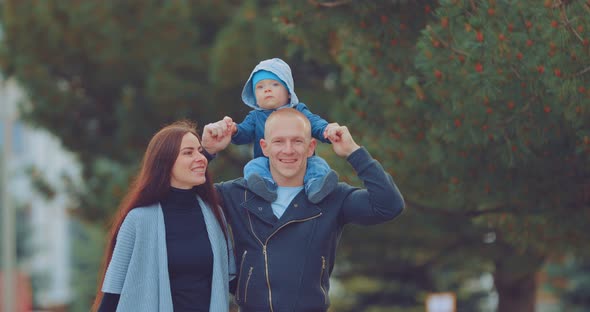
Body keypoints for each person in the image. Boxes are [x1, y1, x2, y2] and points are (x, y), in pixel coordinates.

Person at [202, 108, 405, 312]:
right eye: (279, 141)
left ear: (311, 147)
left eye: (297, 141)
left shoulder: (333, 197)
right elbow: (184, 195)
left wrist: (353, 151)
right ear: (264, 146)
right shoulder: (237, 193)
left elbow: (389, 205)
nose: (288, 150)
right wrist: (206, 152)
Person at [92, 121, 235, 312]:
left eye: (200, 151)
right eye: (188, 152)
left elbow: (233, 282)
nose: (200, 158)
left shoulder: (215, 216)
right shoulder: (138, 220)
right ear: (165, 162)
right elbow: (112, 294)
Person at [222, 57, 339, 203]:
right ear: (254, 97)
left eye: (275, 84)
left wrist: (327, 130)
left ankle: (315, 186)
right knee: (252, 166)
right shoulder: (255, 117)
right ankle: (264, 186)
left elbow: (315, 123)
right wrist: (234, 130)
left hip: (302, 161)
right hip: (267, 161)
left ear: (288, 91)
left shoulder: (298, 110)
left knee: (318, 164)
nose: (267, 89)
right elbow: (243, 134)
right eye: (260, 87)